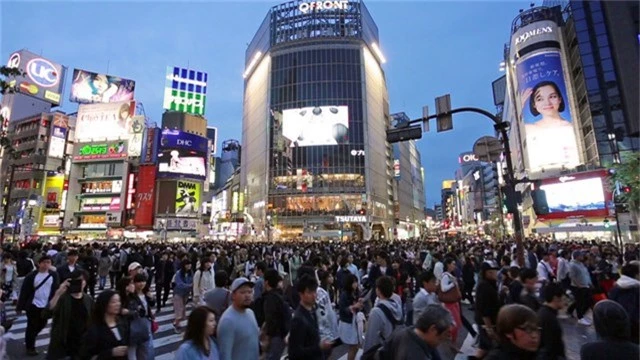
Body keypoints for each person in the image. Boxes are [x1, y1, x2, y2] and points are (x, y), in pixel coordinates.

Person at [522, 80, 579, 170]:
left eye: (552, 97)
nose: (547, 103)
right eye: (540, 99)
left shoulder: (571, 127)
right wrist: (519, 105)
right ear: (534, 104)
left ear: (559, 99)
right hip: (540, 174)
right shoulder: (529, 129)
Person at [17, 255, 60, 356]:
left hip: (46, 306)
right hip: (33, 305)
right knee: (31, 326)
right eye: (44, 262)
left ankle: (30, 338)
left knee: (42, 324)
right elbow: (24, 292)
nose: (46, 264)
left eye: (48, 262)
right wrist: (20, 306)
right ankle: (30, 347)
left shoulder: (54, 275)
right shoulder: (31, 276)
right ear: (39, 263)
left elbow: (56, 289)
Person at [46, 269, 94, 359]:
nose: (80, 283)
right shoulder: (63, 298)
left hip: (81, 342)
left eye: (83, 280)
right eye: (77, 280)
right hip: (63, 341)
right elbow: (46, 314)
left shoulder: (88, 299)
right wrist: (58, 293)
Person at [383, 304, 453, 360]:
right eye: (442, 337)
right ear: (433, 329)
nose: (440, 342)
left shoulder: (401, 331)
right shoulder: (416, 355)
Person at [288, 274, 333, 360]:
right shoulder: (298, 319)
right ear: (301, 294)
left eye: (315, 291)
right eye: (309, 292)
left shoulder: (313, 310)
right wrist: (319, 347)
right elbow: (295, 353)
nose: (314, 295)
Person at [217, 277, 260, 360]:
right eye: (242, 292)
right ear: (233, 295)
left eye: (250, 292)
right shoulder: (228, 321)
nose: (247, 295)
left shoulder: (251, 313)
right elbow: (225, 354)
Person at [81, 290, 129, 359]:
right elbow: (87, 356)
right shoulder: (95, 329)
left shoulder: (122, 323)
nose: (118, 304)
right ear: (104, 304)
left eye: (119, 301)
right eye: (113, 302)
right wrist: (110, 353)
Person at [363, 276, 403, 353]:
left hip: (383, 351)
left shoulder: (376, 312)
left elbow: (370, 339)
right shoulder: (397, 305)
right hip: (396, 348)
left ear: (378, 290)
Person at [607, 261, 639, 344]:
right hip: (633, 326)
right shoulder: (636, 289)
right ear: (636, 274)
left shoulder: (616, 287)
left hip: (615, 326)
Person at [262, 269, 290, 360]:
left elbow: (271, 320)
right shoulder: (279, 296)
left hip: (276, 336)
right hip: (282, 334)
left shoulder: (270, 299)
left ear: (266, 282)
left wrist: (267, 337)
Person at [475, 261, 501, 359]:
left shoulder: (490, 284)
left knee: (484, 348)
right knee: (489, 348)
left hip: (489, 322)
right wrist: (489, 328)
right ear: (487, 272)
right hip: (486, 323)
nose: (495, 273)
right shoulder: (484, 286)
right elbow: (484, 309)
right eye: (492, 271)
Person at [338, 273, 364, 360]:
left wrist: (360, 304)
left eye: (356, 282)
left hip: (355, 321)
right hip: (348, 323)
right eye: (353, 282)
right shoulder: (344, 294)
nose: (355, 284)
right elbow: (342, 309)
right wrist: (353, 307)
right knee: (353, 346)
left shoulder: (356, 292)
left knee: (355, 345)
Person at [537, 283, 566, 360]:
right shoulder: (548, 318)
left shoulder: (545, 313)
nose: (565, 301)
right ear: (556, 298)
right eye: (564, 298)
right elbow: (550, 347)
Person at [440, 257, 462, 343]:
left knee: (455, 322)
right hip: (449, 303)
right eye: (453, 264)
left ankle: (450, 337)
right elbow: (443, 289)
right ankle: (451, 340)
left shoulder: (449, 274)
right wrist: (453, 283)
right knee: (455, 323)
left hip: (453, 302)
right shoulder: (446, 276)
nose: (454, 266)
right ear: (448, 265)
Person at [568, 250, 593, 326]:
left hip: (585, 284)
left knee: (587, 300)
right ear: (577, 256)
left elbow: (585, 273)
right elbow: (572, 276)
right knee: (580, 302)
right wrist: (578, 285)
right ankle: (580, 317)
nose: (582, 257)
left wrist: (589, 282)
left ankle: (571, 310)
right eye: (581, 255)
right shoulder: (572, 265)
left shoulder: (581, 264)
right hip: (579, 286)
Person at [173, 259, 193, 332]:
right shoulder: (179, 273)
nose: (189, 266)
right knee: (179, 309)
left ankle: (176, 322)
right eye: (187, 264)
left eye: (190, 264)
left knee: (182, 309)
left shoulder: (191, 273)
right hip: (178, 293)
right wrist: (190, 285)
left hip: (186, 293)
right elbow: (179, 284)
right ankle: (177, 325)